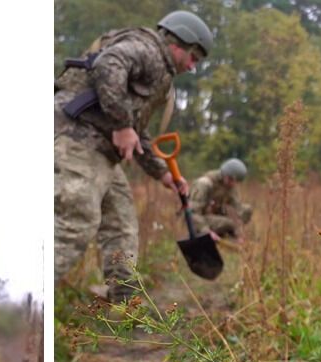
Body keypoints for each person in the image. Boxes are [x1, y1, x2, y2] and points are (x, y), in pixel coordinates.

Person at [54, 10, 213, 297]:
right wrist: (123, 125)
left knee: (122, 223)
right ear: (179, 44)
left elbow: (138, 132)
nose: (192, 67)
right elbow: (108, 65)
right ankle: (34, 303)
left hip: (101, 149)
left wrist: (163, 173)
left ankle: (122, 298)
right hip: (75, 139)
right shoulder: (148, 48)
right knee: (75, 220)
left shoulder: (160, 73)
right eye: (193, 58)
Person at [187, 158, 254, 240]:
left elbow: (237, 208)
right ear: (224, 174)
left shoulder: (229, 186)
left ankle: (231, 236)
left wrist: (239, 232)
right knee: (229, 223)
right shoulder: (204, 183)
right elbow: (193, 213)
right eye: (231, 180)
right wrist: (206, 232)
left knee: (247, 210)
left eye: (236, 181)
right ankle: (211, 235)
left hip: (214, 216)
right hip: (199, 219)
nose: (233, 184)